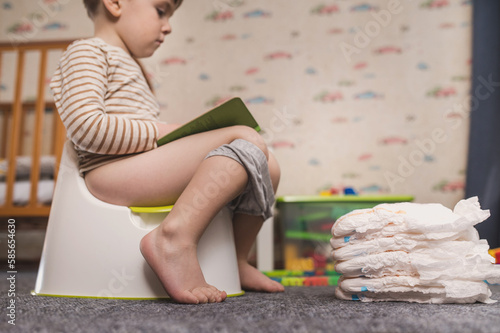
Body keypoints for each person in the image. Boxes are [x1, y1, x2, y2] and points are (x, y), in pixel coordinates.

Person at [50, 0, 284, 304]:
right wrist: (167, 131)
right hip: (110, 173)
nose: (168, 26)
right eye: (161, 11)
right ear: (115, 3)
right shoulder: (86, 52)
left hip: (138, 166)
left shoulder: (134, 67)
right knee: (247, 139)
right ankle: (173, 239)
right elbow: (86, 128)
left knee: (269, 163)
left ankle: (237, 259)